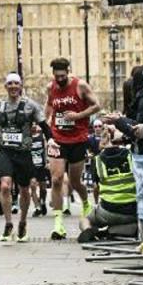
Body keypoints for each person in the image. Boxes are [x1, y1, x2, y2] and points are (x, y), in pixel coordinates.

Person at [0, 73, 46, 244]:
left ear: (21, 85)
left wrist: (52, 140)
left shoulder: (30, 106)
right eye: (9, 83)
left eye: (16, 83)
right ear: (5, 86)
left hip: (23, 153)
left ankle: (23, 222)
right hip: (5, 152)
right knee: (4, 186)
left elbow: (44, 125)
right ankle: (9, 223)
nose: (13, 86)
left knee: (25, 190)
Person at [44, 57, 100, 241]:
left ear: (68, 72)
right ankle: (58, 224)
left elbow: (97, 106)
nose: (59, 80)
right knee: (57, 179)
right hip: (58, 138)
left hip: (77, 139)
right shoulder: (50, 87)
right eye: (56, 76)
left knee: (76, 182)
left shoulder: (80, 86)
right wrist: (46, 123)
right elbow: (50, 104)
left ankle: (85, 203)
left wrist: (78, 115)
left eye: (62, 76)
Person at [78, 124, 138, 242]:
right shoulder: (132, 155)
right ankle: (118, 231)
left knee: (85, 220)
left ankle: (88, 230)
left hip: (109, 210)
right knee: (132, 223)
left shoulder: (98, 160)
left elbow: (96, 187)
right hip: (133, 210)